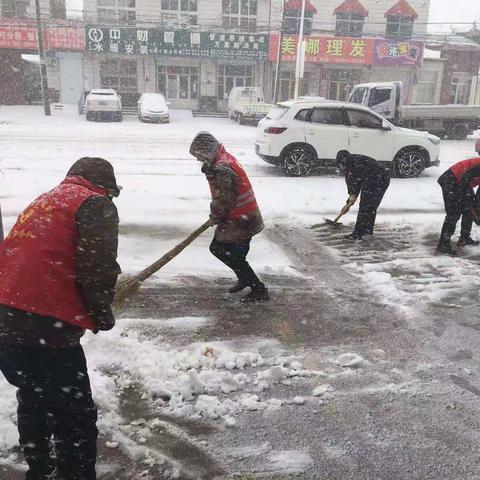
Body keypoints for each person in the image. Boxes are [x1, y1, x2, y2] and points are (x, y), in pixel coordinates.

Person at [0, 157, 121, 480]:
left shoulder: (48, 200)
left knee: (34, 397)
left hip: (6, 321)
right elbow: (97, 267)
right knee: (75, 415)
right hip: (45, 325)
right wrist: (100, 313)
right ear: (105, 187)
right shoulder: (95, 204)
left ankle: (39, 470)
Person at [190, 131, 269, 302]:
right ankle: (245, 279)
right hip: (244, 216)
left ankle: (258, 289)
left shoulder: (221, 168)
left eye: (199, 155)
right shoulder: (222, 159)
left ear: (207, 150)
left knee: (219, 249)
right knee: (236, 253)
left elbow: (224, 197)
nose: (198, 159)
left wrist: (216, 215)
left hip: (239, 219)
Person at [338, 153, 390, 240]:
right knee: (371, 207)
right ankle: (367, 231)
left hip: (374, 179)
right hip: (384, 177)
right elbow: (357, 181)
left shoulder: (350, 164)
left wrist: (351, 198)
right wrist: (350, 201)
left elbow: (354, 183)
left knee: (364, 207)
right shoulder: (357, 159)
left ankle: (357, 234)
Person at [437, 157, 480, 255]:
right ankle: (443, 244)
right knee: (454, 212)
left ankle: (464, 238)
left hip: (460, 182)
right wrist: (463, 195)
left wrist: (475, 207)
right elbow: (466, 176)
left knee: (468, 208)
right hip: (450, 179)